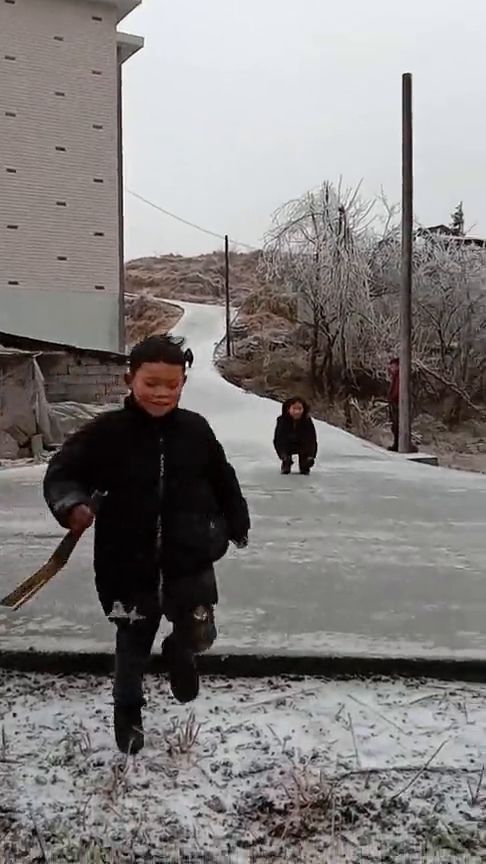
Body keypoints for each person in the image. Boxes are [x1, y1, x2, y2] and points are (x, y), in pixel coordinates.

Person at [43, 335, 250, 755]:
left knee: (200, 629)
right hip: (126, 563)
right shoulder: (107, 433)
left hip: (189, 558)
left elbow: (222, 478)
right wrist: (72, 506)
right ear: (129, 379)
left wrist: (236, 521)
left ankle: (180, 650)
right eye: (151, 383)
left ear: (183, 384)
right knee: (132, 644)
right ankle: (128, 713)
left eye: (172, 385)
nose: (161, 393)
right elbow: (63, 472)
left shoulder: (196, 430)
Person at [273, 397, 318, 475]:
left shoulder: (307, 421)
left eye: (299, 409)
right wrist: (283, 455)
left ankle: (304, 464)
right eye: (294, 409)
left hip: (302, 446)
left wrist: (311, 456)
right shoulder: (282, 420)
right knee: (285, 459)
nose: (297, 412)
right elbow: (278, 440)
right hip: (287, 445)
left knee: (305, 467)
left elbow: (312, 440)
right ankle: (286, 462)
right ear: (288, 409)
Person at [388, 357, 400, 452]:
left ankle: (397, 445)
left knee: (396, 425)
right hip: (394, 403)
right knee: (394, 425)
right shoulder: (395, 376)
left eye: (392, 367)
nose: (391, 369)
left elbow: (397, 390)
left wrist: (393, 398)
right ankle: (396, 444)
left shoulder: (399, 376)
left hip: (397, 404)